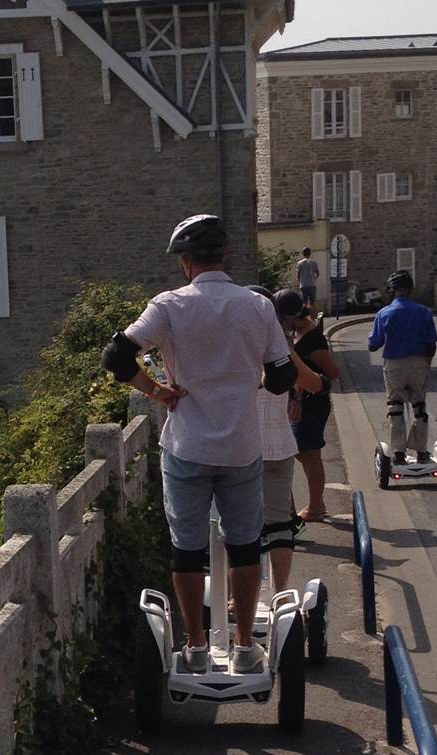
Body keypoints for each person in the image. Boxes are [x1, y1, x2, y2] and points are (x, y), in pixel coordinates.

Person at [102, 215, 297, 673]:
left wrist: (156, 391)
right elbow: (283, 375)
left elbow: (116, 356)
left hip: (187, 445)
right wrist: (250, 379)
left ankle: (193, 646)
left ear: (185, 262)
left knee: (187, 550)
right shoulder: (257, 306)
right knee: (245, 545)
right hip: (242, 447)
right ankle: (245, 646)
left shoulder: (169, 306)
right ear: (224, 255)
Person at [246, 286, 324, 597]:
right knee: (279, 524)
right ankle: (280, 594)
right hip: (279, 445)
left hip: (241, 448)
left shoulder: (233, 345)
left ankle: (239, 598)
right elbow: (313, 382)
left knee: (241, 527)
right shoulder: (280, 347)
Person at [367, 270, 437, 463]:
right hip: (418, 363)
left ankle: (398, 452)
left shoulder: (384, 313)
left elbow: (373, 344)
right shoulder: (424, 312)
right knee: (420, 408)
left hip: (394, 365)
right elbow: (431, 345)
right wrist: (426, 365)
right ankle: (421, 450)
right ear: (410, 289)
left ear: (390, 290)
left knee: (395, 407)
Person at [282, 291, 341, 519]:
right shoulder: (300, 334)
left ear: (291, 317)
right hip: (304, 403)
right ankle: (317, 504)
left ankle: (317, 506)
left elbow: (332, 372)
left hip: (312, 404)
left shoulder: (313, 339)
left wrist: (301, 392)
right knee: (303, 452)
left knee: (309, 453)